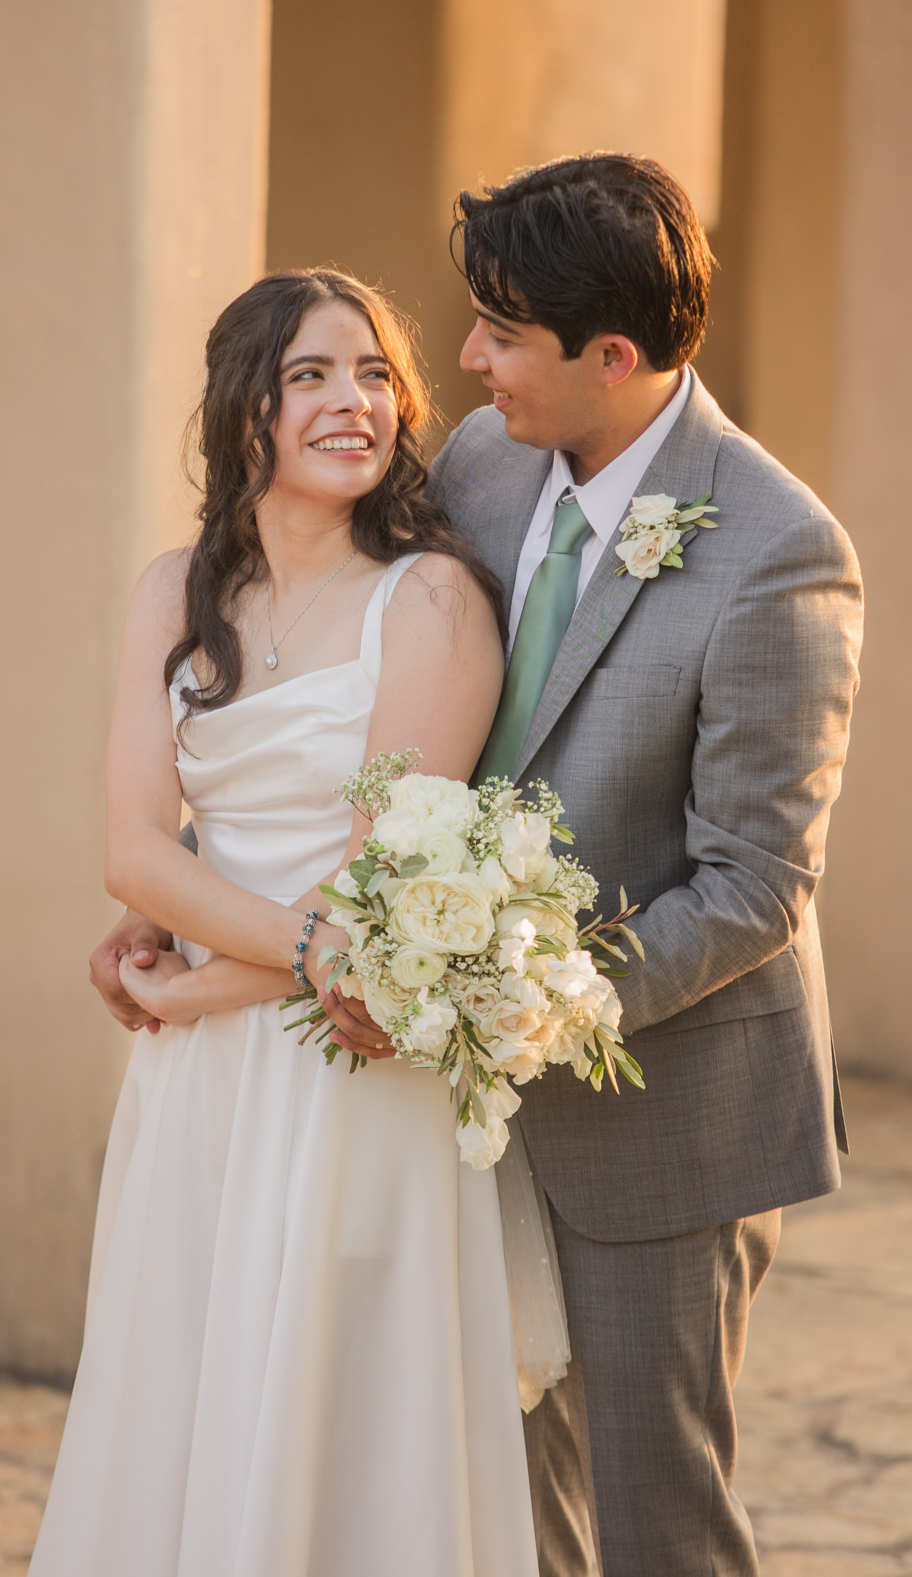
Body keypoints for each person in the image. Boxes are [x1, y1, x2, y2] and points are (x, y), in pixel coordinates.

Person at [92, 152, 863, 1576]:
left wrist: (504, 1002)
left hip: (652, 1104)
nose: (461, 362)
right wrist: (202, 911)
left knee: (653, 1521)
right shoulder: (486, 465)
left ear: (610, 354)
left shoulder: (775, 548)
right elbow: (342, 736)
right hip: (429, 1094)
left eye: (500, 333)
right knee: (509, 1517)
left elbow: (755, 885)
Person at [33, 270, 537, 1577]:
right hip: (199, 1089)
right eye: (310, 374)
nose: (351, 402)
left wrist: (207, 985)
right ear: (241, 408)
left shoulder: (431, 601)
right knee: (183, 1395)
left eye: (373, 374)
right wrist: (274, 959)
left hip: (348, 1072)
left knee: (339, 1415)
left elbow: (381, 896)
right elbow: (132, 847)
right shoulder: (174, 590)